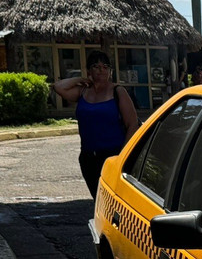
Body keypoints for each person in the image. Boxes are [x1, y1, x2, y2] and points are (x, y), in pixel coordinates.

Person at [52, 50, 139, 198]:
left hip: (113, 155)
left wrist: (122, 157)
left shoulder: (118, 91)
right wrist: (79, 79)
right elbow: (59, 87)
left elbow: (132, 124)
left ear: (110, 71)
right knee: (98, 199)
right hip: (88, 157)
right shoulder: (83, 92)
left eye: (105, 67)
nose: (101, 70)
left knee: (114, 199)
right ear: (89, 70)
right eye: (96, 66)